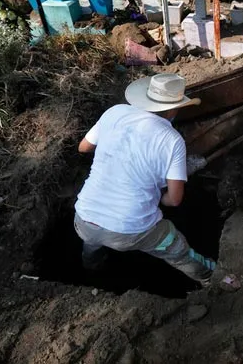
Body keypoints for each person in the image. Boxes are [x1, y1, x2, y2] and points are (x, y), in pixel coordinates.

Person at [73, 73, 216, 284]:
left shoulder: (114, 112)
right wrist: (160, 199)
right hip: (130, 230)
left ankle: (92, 268)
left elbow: (83, 147)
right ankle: (209, 276)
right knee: (175, 249)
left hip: (83, 220)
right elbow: (175, 200)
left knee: (92, 241)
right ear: (175, 108)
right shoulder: (172, 141)